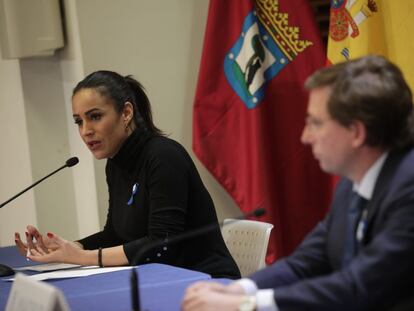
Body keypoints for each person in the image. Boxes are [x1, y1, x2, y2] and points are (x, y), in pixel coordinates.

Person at [181, 55, 414, 310]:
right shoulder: (353, 183)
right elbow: (306, 261)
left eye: (315, 123)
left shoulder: (408, 187)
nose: (305, 137)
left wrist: (247, 304)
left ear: (356, 132)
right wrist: (237, 289)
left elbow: (360, 286)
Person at [14, 70, 240, 279]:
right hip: (159, 280)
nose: (85, 131)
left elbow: (163, 245)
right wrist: (69, 247)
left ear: (126, 113)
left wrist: (84, 258)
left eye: (95, 116)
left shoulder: (163, 156)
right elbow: (116, 234)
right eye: (79, 121)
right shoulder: (115, 164)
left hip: (205, 282)